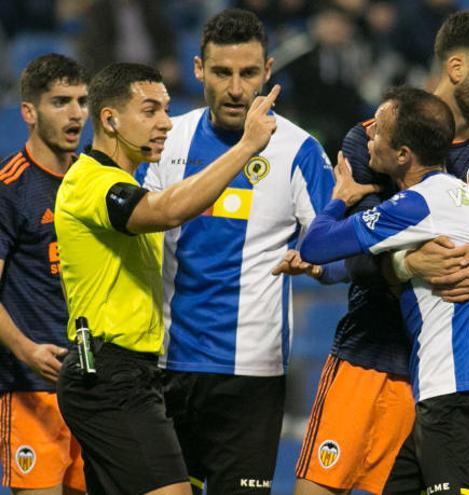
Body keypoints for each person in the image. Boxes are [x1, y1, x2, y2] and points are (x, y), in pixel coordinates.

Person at [286, 11, 469, 495]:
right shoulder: (376, 136)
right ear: (458, 68)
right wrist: (407, 263)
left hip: (459, 376)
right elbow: (346, 256)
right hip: (373, 353)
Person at [54, 62, 279, 495]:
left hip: (133, 374)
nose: (164, 124)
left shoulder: (120, 180)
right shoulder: (90, 183)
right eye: (150, 111)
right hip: (107, 375)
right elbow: (166, 210)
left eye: (167, 111)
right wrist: (247, 146)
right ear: (110, 119)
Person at [140, 9, 335, 494]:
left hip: (251, 376)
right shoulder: (166, 141)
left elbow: (338, 248)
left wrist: (319, 264)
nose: (234, 89)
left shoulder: (300, 150)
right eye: (222, 72)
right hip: (165, 365)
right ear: (198, 69)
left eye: (248, 73)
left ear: (268, 70)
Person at [0, 53, 87, 495]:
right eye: (60, 102)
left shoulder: (93, 181)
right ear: (29, 112)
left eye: (81, 101)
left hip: (93, 385)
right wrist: (26, 350)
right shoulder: (8, 187)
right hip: (33, 385)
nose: (75, 113)